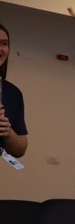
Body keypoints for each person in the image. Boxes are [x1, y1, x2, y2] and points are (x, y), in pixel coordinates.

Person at [0, 22, 29, 159]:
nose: (0, 48)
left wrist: (7, 130)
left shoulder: (13, 93)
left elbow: (20, 150)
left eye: (4, 43)